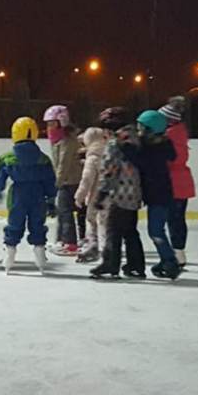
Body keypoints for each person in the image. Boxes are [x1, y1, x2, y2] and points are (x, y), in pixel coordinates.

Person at [0, 116, 57, 274]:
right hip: (38, 195)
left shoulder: (7, 158)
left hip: (17, 195)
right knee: (37, 225)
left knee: (14, 224)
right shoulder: (44, 159)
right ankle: (40, 255)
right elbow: (50, 181)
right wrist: (51, 199)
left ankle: (9, 255)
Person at [90, 108, 146, 281]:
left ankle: (111, 263)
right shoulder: (136, 139)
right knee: (130, 231)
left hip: (119, 193)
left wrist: (101, 194)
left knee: (113, 230)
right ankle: (136, 265)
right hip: (135, 193)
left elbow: (109, 171)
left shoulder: (116, 144)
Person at [133, 110, 183, 280]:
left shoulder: (151, 149)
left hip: (159, 196)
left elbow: (138, 161)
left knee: (155, 231)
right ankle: (166, 259)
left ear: (150, 129)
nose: (138, 130)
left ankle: (170, 261)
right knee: (156, 231)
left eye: (141, 127)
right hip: (160, 195)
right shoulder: (159, 145)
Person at [159, 95, 196, 267]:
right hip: (182, 183)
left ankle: (177, 253)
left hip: (173, 183)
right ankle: (179, 251)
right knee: (177, 219)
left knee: (173, 220)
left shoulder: (170, 137)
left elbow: (171, 160)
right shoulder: (180, 133)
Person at [43, 105, 84, 255]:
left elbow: (63, 164)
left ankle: (70, 243)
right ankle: (62, 240)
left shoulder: (68, 140)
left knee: (65, 212)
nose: (49, 127)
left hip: (71, 181)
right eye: (47, 124)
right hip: (66, 181)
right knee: (62, 211)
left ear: (62, 122)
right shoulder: (59, 139)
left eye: (52, 123)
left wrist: (57, 183)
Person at [75, 126, 110, 264]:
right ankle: (108, 248)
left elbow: (87, 179)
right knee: (106, 223)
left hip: (96, 197)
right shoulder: (110, 153)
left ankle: (94, 246)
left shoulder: (92, 158)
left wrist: (79, 196)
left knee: (92, 220)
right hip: (111, 196)